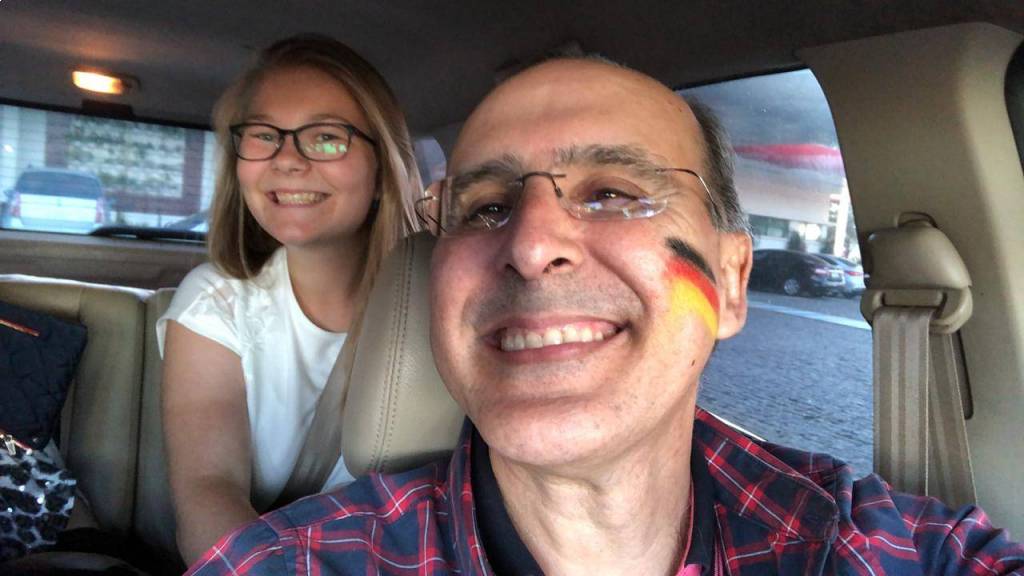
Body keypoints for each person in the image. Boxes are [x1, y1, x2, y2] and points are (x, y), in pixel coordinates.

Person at [183, 58, 1024, 575]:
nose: (531, 244)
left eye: (616, 194)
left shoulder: (895, 550)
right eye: (486, 208)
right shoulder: (293, 561)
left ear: (733, 283)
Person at [157, 34, 420, 565]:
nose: (288, 160)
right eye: (263, 136)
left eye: (326, 137)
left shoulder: (439, 308)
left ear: (380, 172)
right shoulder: (215, 303)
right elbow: (209, 490)